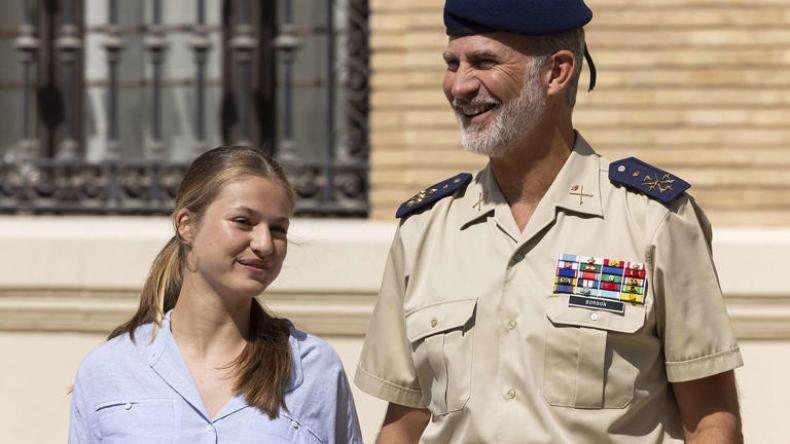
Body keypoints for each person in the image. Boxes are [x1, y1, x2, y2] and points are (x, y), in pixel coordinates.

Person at [354, 1, 743, 443]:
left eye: (484, 62)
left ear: (556, 72)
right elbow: (404, 423)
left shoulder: (652, 221)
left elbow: (711, 420)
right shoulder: (424, 230)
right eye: (452, 63)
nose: (459, 85)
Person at [69, 146, 363, 443]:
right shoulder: (109, 369)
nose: (264, 243)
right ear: (186, 225)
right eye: (243, 221)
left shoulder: (314, 369)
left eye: (278, 229)